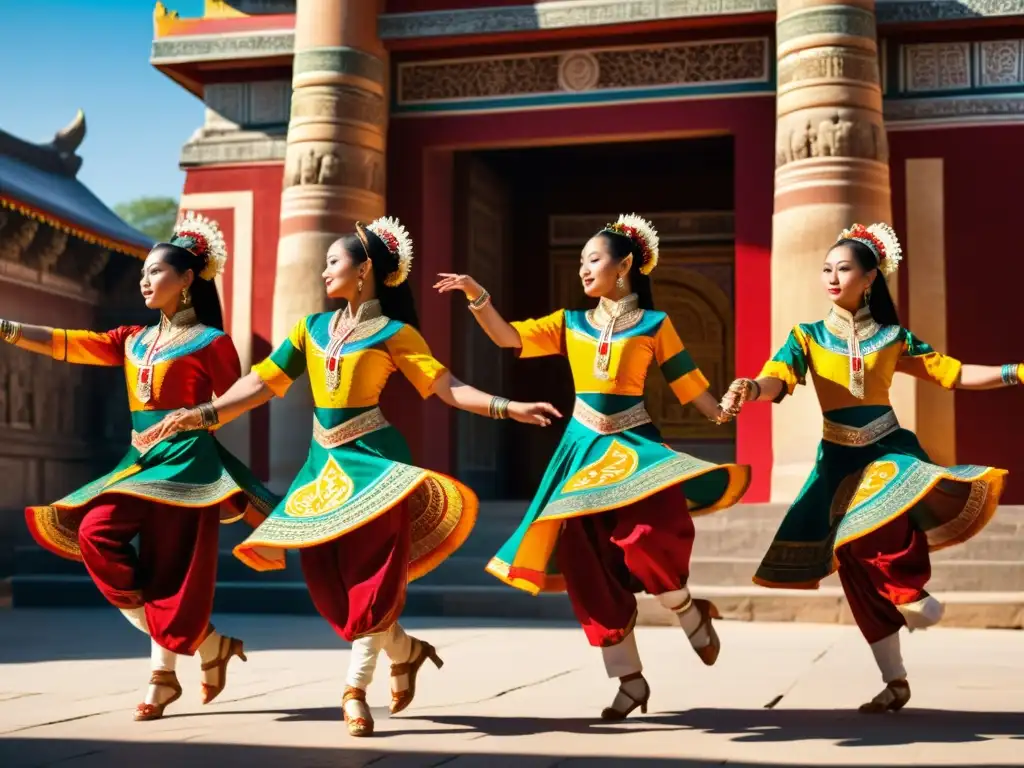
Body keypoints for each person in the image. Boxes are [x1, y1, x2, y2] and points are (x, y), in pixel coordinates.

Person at [151, 215, 560, 737]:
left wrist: (508, 407)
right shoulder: (311, 329)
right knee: (325, 583)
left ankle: (354, 690)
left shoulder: (396, 333)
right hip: (322, 472)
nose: (325, 271)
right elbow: (260, 381)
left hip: (377, 465)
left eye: (334, 262)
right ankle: (405, 650)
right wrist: (204, 414)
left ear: (364, 269)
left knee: (372, 581)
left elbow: (445, 387)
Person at [435, 213, 751, 720]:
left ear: (625, 265)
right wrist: (477, 295)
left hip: (634, 445)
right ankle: (629, 681)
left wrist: (721, 410)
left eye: (594, 259)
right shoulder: (569, 322)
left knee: (648, 535)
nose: (584, 268)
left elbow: (686, 381)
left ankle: (686, 608)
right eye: (580, 260)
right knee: (584, 562)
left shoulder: (655, 324)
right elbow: (507, 338)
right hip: (581, 451)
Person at [720, 222, 1017, 713]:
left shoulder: (894, 338)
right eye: (826, 269)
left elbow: (954, 372)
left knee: (880, 520)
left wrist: (1016, 372)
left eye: (843, 268)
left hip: (888, 448)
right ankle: (895, 679)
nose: (832, 277)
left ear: (870, 277)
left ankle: (909, 591)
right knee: (853, 565)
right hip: (837, 459)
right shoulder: (807, 336)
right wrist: (751, 389)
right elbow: (777, 377)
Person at [2, 212, 278, 721]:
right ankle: (209, 643)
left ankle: (162, 678)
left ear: (188, 280)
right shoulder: (131, 337)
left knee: (171, 568)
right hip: (140, 461)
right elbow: (72, 343)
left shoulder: (212, 342)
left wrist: (197, 418)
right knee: (96, 531)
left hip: (190, 464)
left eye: (155, 272)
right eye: (143, 273)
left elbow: (239, 395)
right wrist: (11, 328)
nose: (144, 280)